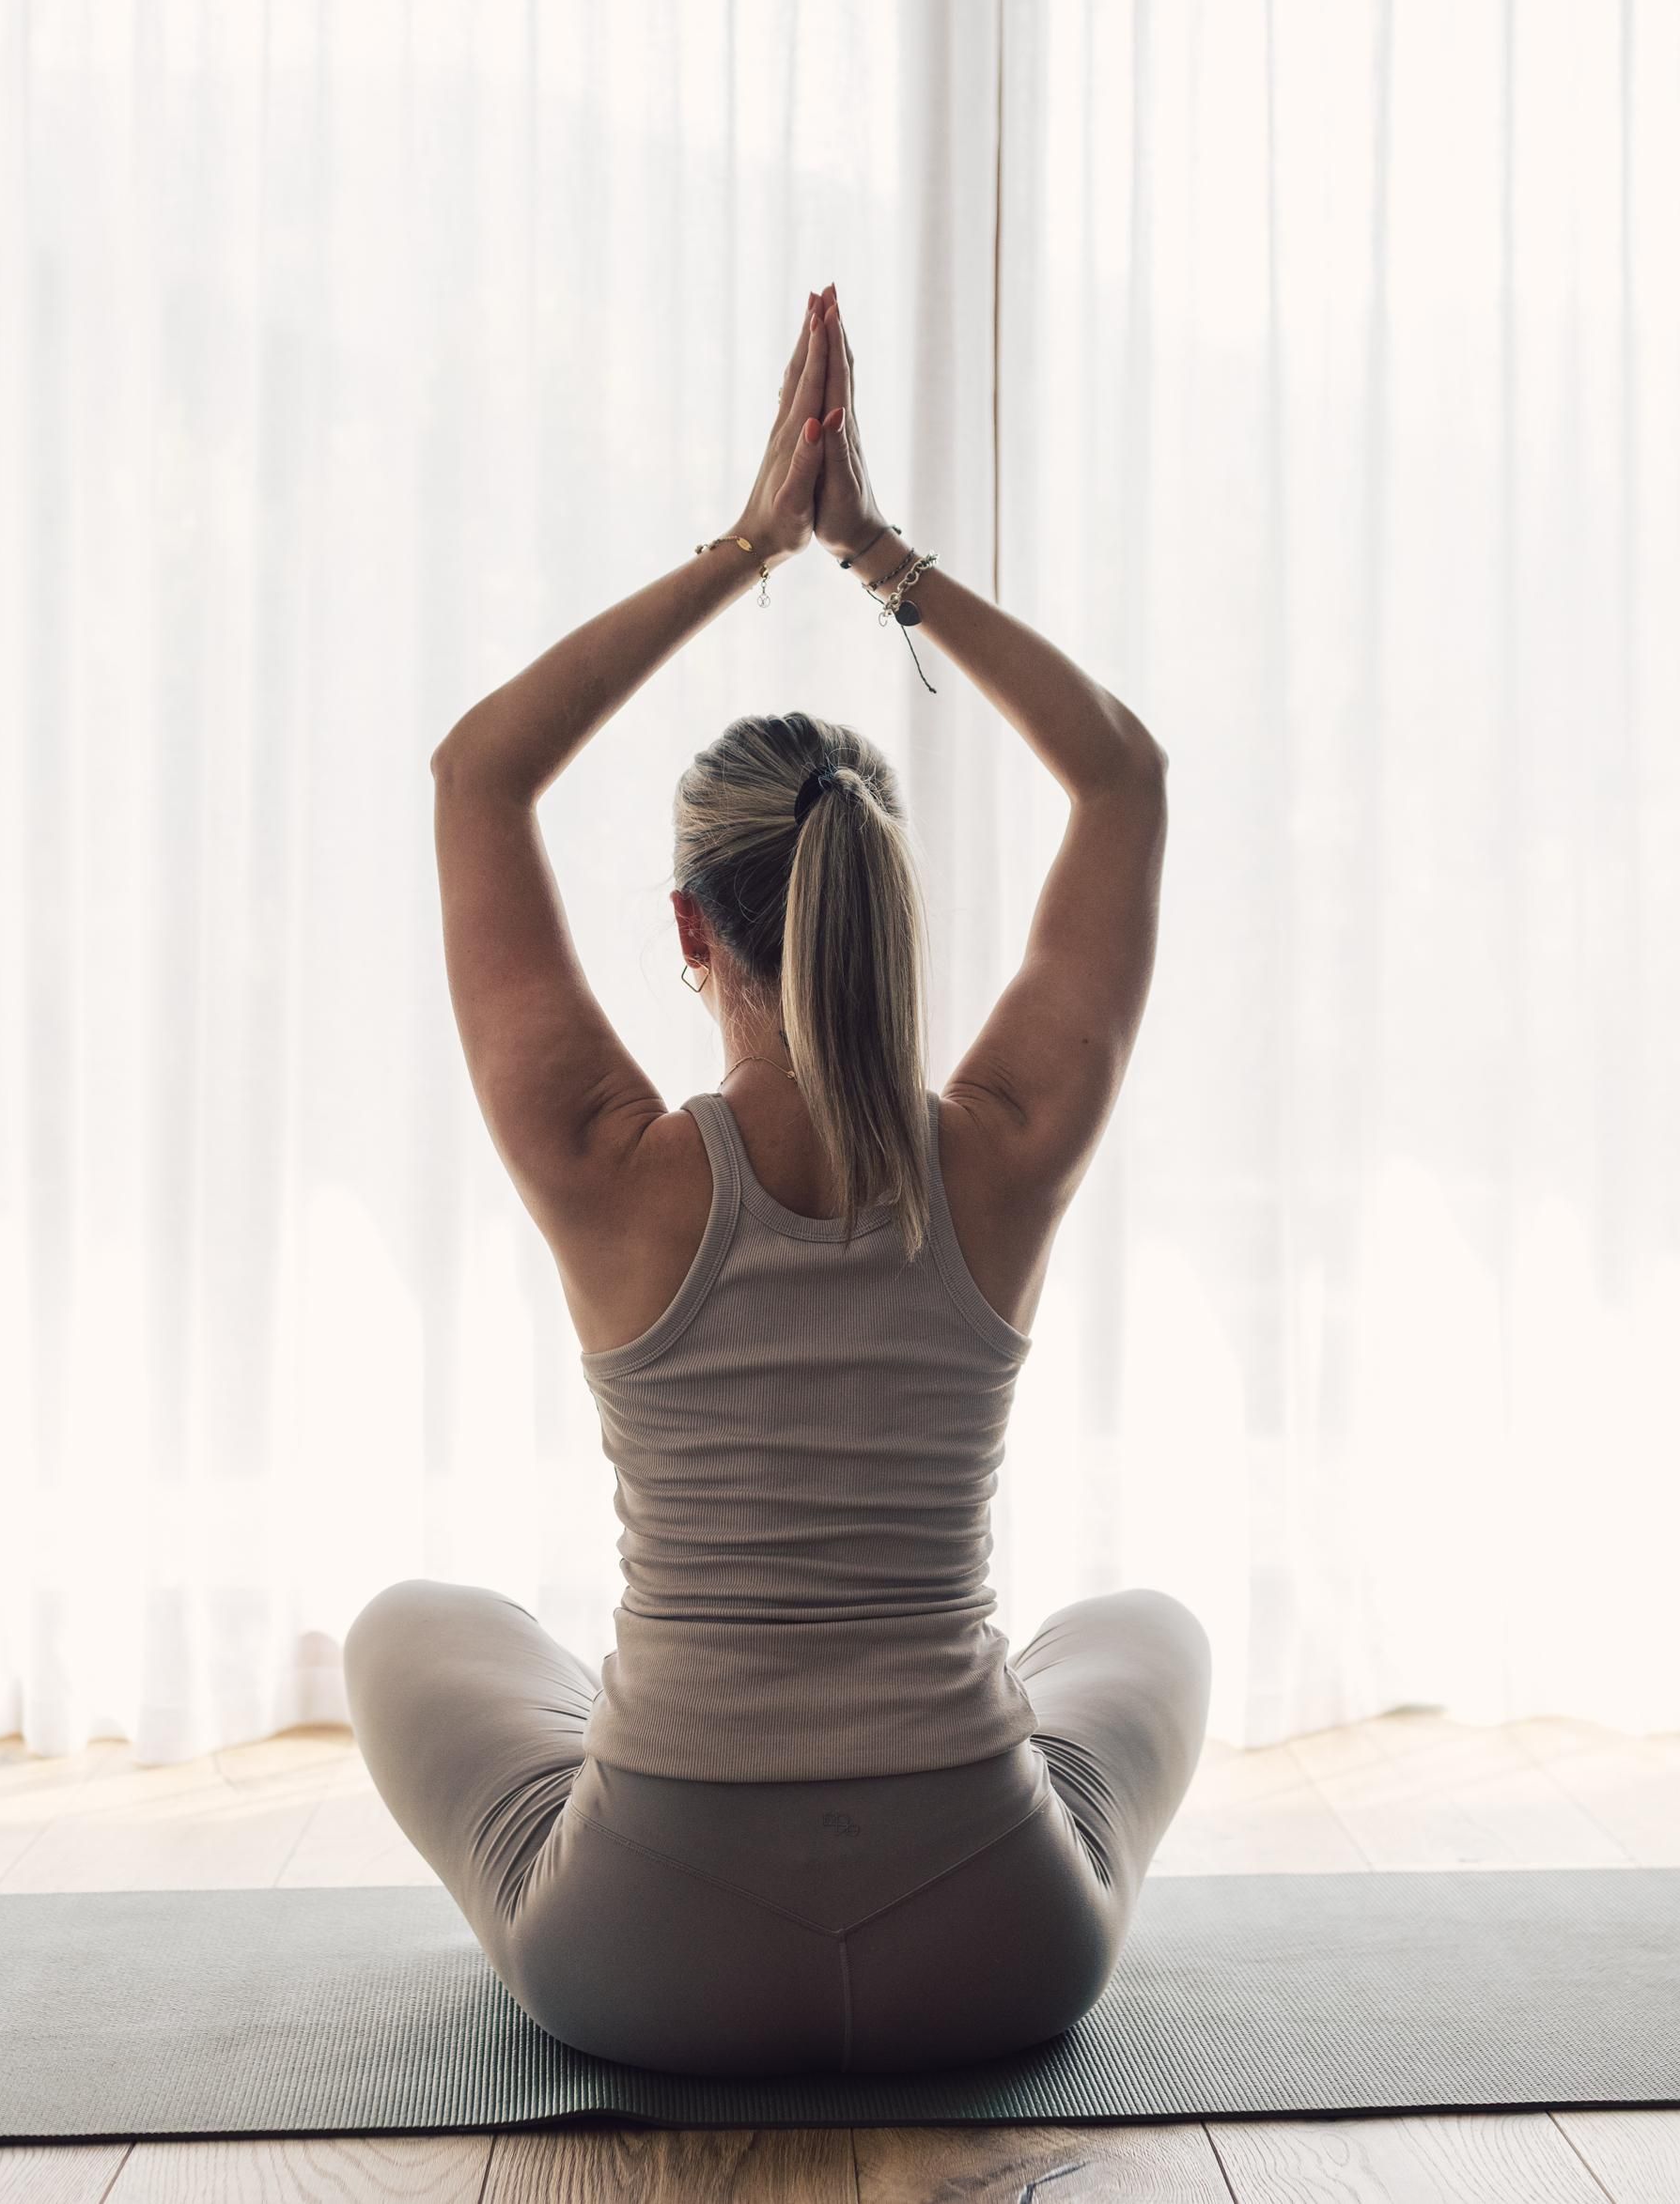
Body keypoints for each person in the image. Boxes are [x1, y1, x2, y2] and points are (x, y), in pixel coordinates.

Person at [345, 283, 1206, 2075]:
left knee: (423, 1631)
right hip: (997, 1945)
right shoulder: (1009, 1150)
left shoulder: (609, 1165)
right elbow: (1122, 777)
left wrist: (749, 547)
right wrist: (877, 559)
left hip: (650, 1952)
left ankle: (653, 1745)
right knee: (1141, 1632)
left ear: (689, 930)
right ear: (889, 903)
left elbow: (476, 775)